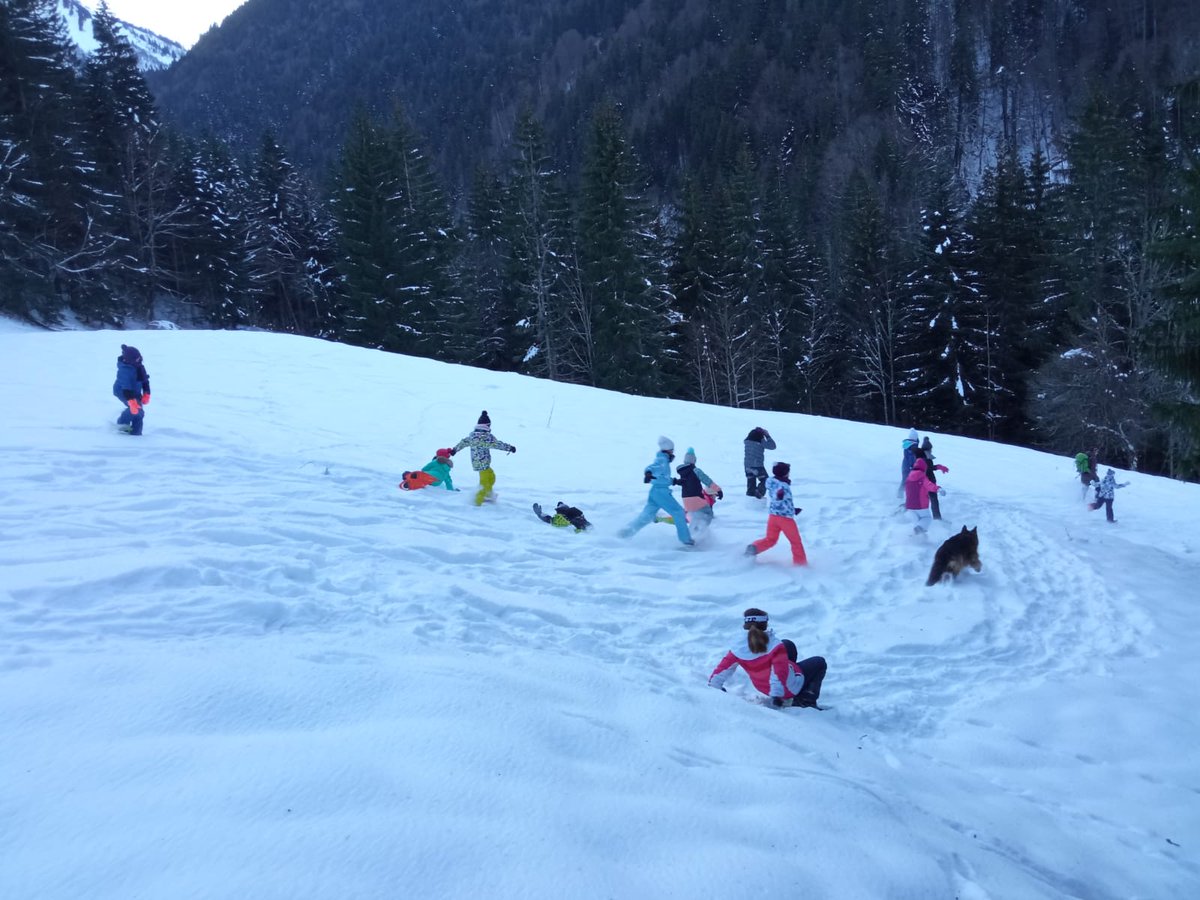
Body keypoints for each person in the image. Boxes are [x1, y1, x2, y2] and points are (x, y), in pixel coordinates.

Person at [707, 608, 827, 708]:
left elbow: (722, 670)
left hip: (763, 686)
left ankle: (788, 692)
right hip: (785, 689)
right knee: (819, 662)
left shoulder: (738, 647)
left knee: (788, 644)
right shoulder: (775, 646)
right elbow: (778, 673)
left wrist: (715, 685)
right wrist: (777, 697)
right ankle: (805, 701)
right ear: (765, 625)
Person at [618, 436, 693, 546]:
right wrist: (648, 473)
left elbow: (662, 477)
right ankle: (686, 541)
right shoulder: (662, 460)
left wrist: (675, 481)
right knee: (678, 513)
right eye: (672, 450)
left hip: (655, 492)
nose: (673, 453)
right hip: (661, 493)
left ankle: (623, 534)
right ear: (668, 450)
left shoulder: (663, 459)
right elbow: (653, 467)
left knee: (646, 517)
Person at [745, 461, 807, 565]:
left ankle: (754, 548)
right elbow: (778, 497)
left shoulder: (772, 483)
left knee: (770, 539)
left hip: (773, 517)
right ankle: (801, 564)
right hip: (785, 519)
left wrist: (793, 509)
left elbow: (781, 501)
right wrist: (780, 496)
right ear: (785, 474)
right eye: (788, 472)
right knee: (796, 542)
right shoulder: (783, 486)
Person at [451, 410, 515, 506]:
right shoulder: (486, 437)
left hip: (481, 463)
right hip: (482, 464)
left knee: (491, 477)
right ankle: (477, 501)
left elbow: (463, 443)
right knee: (484, 483)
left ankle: (488, 494)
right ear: (487, 426)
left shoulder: (473, 436)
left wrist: (455, 450)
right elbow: (497, 444)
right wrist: (509, 448)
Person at [676, 447, 723, 537]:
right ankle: (699, 535)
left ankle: (689, 536)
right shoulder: (696, 470)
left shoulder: (682, 472)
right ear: (694, 460)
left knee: (695, 518)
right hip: (696, 498)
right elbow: (707, 480)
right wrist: (718, 490)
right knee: (708, 514)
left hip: (686, 501)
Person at [112, 343, 151, 436]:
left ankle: (136, 433)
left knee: (139, 412)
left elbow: (145, 381)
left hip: (135, 390)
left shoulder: (139, 366)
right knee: (135, 409)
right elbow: (126, 388)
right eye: (137, 358)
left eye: (139, 357)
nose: (139, 359)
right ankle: (122, 424)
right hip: (122, 391)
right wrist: (132, 402)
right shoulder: (124, 371)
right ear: (130, 360)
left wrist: (147, 393)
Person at [914, 436, 949, 520]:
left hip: (930, 483)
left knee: (932, 501)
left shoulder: (927, 458)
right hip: (927, 484)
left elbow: (930, 468)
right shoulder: (922, 460)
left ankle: (936, 518)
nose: (931, 451)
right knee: (931, 501)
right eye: (930, 450)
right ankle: (936, 518)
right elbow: (922, 473)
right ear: (926, 450)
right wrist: (929, 485)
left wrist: (939, 467)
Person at [904, 457, 941, 535]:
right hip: (920, 505)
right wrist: (938, 489)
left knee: (918, 522)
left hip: (909, 506)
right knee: (927, 518)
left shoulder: (908, 478)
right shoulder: (922, 477)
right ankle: (918, 531)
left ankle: (918, 537)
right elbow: (930, 485)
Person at [743, 427, 776, 498]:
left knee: (751, 483)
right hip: (757, 466)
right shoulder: (760, 441)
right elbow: (773, 446)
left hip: (747, 466)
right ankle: (759, 494)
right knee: (765, 480)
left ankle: (750, 499)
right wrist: (767, 436)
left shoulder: (747, 442)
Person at [898, 428, 919, 496]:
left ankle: (904, 494)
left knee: (908, 481)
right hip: (907, 467)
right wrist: (912, 466)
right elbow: (911, 458)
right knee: (906, 481)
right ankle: (900, 494)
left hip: (906, 466)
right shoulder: (911, 447)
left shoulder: (910, 444)